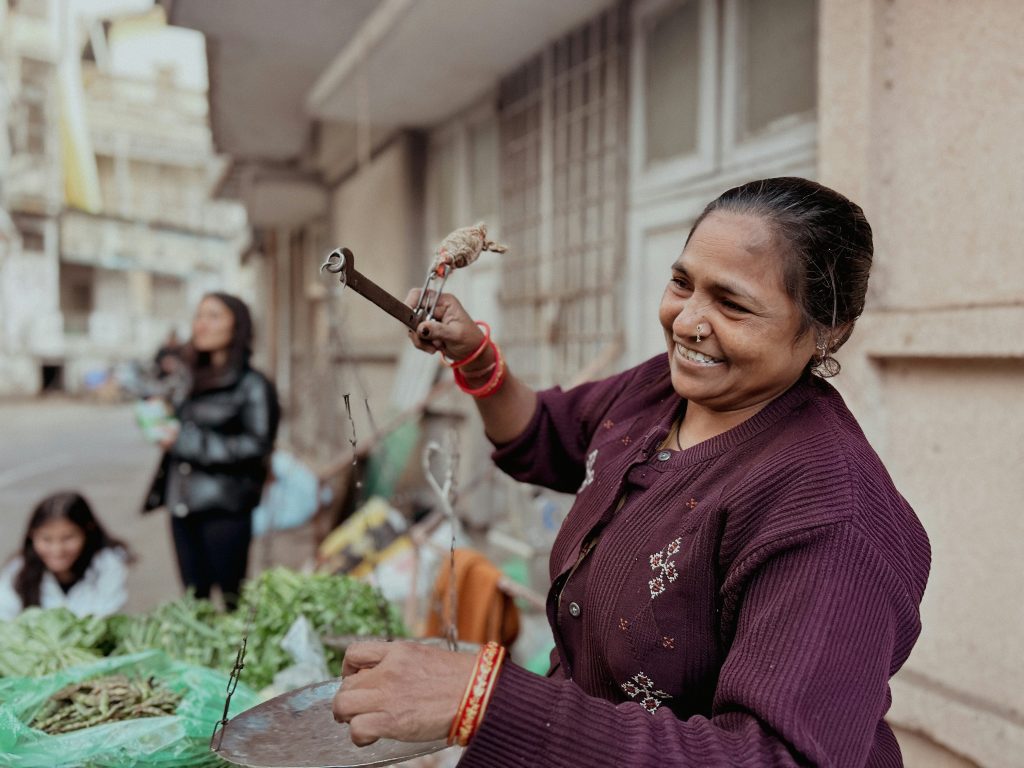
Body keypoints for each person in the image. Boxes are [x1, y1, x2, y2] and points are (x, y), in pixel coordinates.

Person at [332, 178, 931, 766]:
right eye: (681, 283)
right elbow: (545, 435)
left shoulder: (831, 514)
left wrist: (484, 700)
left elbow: (773, 757)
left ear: (828, 331)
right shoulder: (660, 392)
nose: (687, 321)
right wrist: (475, 357)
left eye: (732, 304)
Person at [142, 292, 279, 610]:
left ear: (238, 325)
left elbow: (257, 445)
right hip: (181, 503)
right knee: (194, 603)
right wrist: (161, 416)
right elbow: (186, 426)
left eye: (214, 316)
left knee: (232, 601)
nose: (201, 324)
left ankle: (235, 661)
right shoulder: (191, 379)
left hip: (225, 508)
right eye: (199, 315)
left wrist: (186, 441)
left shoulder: (253, 385)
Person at [0, 491, 131, 621]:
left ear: (88, 530)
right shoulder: (17, 572)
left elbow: (108, 616)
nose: (57, 550)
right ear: (31, 535)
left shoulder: (107, 564)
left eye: (68, 538)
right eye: (46, 539)